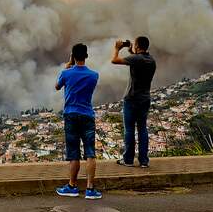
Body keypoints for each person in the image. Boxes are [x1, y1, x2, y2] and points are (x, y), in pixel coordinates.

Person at [54, 43, 102, 200]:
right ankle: (90, 189)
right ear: (86, 56)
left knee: (74, 154)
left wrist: (68, 65)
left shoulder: (66, 73)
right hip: (87, 115)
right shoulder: (94, 75)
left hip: (71, 115)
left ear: (73, 56)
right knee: (90, 154)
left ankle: (72, 186)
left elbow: (57, 86)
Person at [112, 35, 156, 168]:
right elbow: (137, 60)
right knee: (142, 129)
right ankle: (144, 161)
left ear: (137, 46)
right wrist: (132, 51)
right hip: (145, 99)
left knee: (129, 130)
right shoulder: (151, 60)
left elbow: (114, 60)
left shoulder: (136, 59)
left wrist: (117, 48)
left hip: (131, 99)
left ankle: (128, 160)